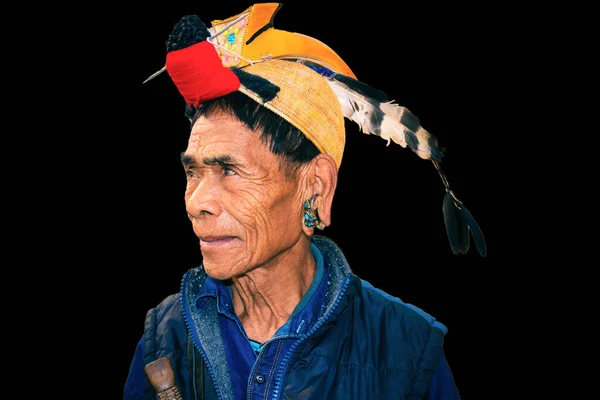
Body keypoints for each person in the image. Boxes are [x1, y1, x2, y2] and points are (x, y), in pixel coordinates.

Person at [124, 3, 486, 399]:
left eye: (229, 170)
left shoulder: (410, 352)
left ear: (315, 186)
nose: (196, 202)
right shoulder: (164, 339)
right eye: (192, 172)